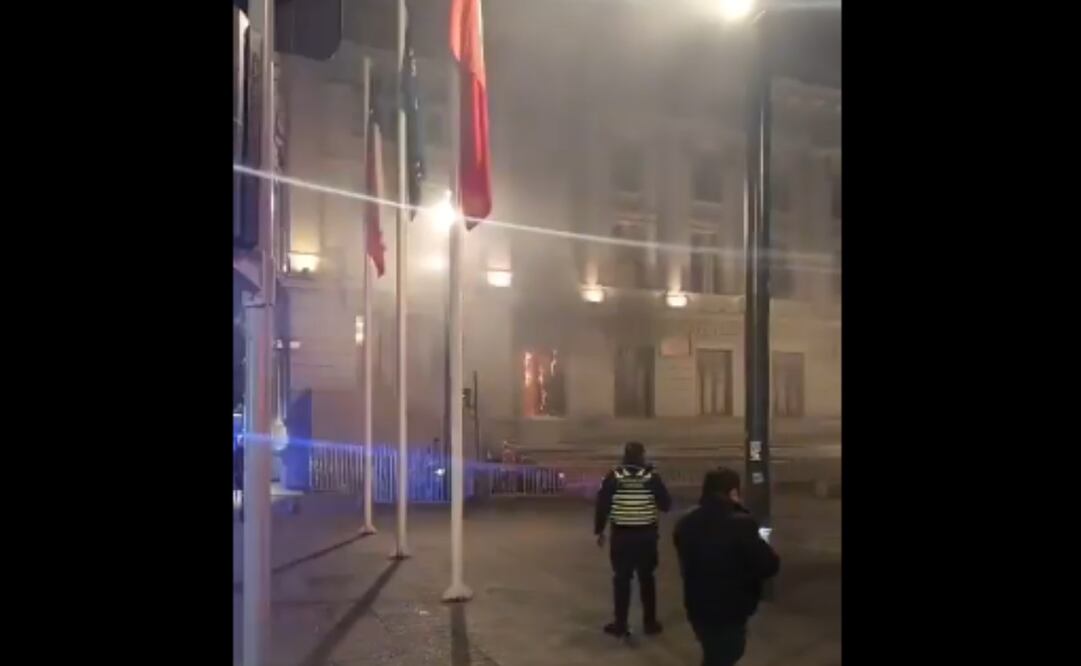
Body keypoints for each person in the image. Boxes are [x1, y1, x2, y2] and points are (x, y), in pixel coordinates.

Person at [673, 467, 780, 666]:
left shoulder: (686, 523)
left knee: (713, 652)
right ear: (733, 493)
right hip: (731, 607)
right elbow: (768, 565)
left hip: (698, 604)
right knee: (728, 653)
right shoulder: (742, 524)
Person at [594, 441, 672, 638]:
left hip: (622, 537)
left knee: (621, 580)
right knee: (647, 579)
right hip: (646, 537)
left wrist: (599, 531)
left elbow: (603, 505)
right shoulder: (651, 477)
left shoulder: (614, 476)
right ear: (642, 456)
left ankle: (620, 624)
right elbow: (666, 505)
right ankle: (650, 623)